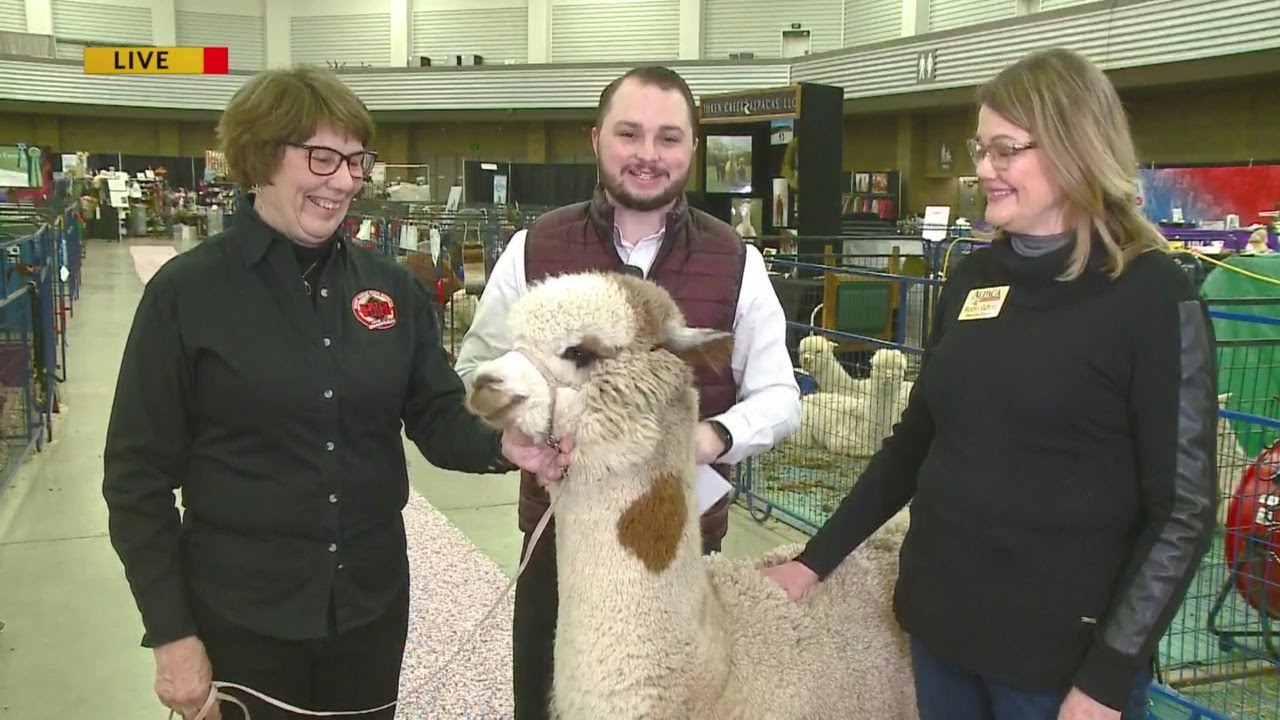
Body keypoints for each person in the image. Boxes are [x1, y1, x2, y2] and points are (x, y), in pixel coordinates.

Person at [102, 65, 569, 720]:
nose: (345, 180)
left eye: (355, 161)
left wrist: (508, 442)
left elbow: (436, 414)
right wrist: (172, 634)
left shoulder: (390, 289)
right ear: (262, 155)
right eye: (322, 157)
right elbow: (135, 479)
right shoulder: (186, 296)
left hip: (369, 613)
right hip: (242, 620)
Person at [764, 47, 1218, 720]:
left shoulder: (1154, 297)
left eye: (1005, 150)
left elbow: (1182, 510)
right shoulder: (976, 280)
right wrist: (814, 559)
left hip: (1058, 668)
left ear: (1074, 146)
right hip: (940, 633)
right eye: (980, 149)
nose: (982, 170)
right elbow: (914, 442)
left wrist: (1108, 677)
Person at [452, 65, 802, 720]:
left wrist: (708, 439)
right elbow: (476, 367)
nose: (648, 155)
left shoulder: (734, 262)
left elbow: (779, 393)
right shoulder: (536, 249)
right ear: (597, 139)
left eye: (669, 138)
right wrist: (514, 434)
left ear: (692, 148)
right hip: (559, 546)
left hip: (676, 546)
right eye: (630, 134)